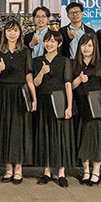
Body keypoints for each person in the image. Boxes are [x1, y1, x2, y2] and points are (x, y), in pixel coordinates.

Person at [0, 19, 36, 184]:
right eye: (9, 30)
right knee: (5, 129)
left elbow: (29, 77)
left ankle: (19, 169)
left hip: (19, 94)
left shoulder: (25, 52)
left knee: (18, 130)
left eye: (15, 30)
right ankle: (8, 168)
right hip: (2, 94)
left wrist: (34, 98)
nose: (12, 33)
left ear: (20, 33)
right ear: (4, 33)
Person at [32, 30, 74, 188]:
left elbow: (68, 84)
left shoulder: (64, 61)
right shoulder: (37, 61)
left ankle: (61, 172)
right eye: (46, 41)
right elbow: (35, 83)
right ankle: (47, 171)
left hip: (60, 100)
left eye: (52, 41)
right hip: (43, 101)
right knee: (45, 135)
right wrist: (42, 73)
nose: (49, 44)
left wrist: (69, 106)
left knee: (60, 136)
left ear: (59, 44)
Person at [71, 33, 101, 185]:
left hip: (96, 106)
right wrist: (79, 79)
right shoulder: (74, 64)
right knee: (82, 138)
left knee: (95, 138)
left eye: (90, 45)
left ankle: (96, 170)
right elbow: (70, 86)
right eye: (84, 45)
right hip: (80, 105)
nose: (86, 48)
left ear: (95, 47)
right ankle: (85, 170)